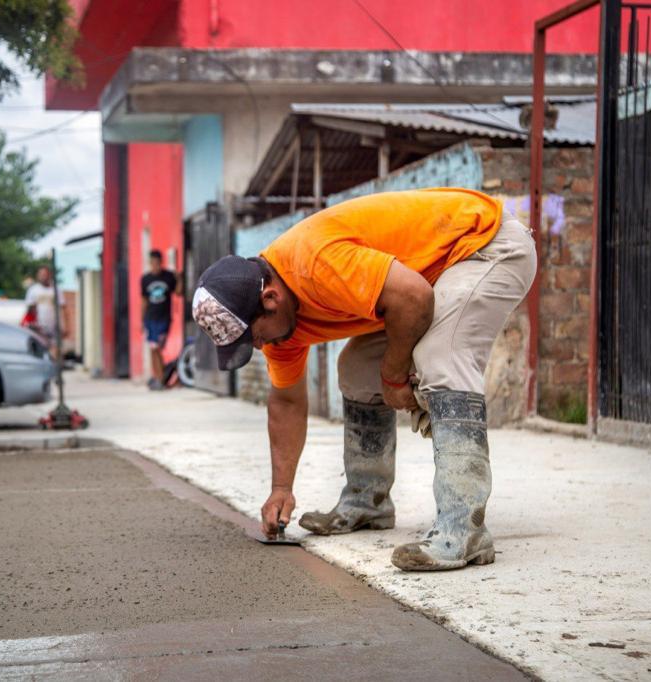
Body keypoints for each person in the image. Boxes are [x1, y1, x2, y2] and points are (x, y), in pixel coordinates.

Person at [191, 188, 536, 572]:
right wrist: (281, 489)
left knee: (441, 355)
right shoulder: (280, 326)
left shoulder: (315, 264)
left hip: (486, 247)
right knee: (357, 368)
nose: (258, 346)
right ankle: (367, 502)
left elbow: (413, 298)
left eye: (254, 336)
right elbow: (286, 401)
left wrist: (395, 376)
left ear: (270, 299)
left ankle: (464, 528)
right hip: (434, 273)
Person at [141, 249, 181, 389]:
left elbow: (178, 292)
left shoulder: (168, 276)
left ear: (161, 262)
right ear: (150, 263)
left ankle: (161, 377)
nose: (155, 266)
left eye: (157, 263)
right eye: (153, 263)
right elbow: (144, 301)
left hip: (164, 319)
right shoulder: (145, 279)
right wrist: (142, 320)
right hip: (150, 319)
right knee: (153, 348)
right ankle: (159, 377)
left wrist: (179, 279)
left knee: (157, 346)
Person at [25, 265, 71, 359]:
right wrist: (32, 324)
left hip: (54, 327)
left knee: (55, 353)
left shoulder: (56, 290)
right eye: (41, 274)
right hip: (39, 327)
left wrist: (66, 326)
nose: (43, 277)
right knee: (39, 353)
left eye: (45, 274)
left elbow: (63, 309)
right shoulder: (33, 290)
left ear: (49, 275)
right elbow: (30, 310)